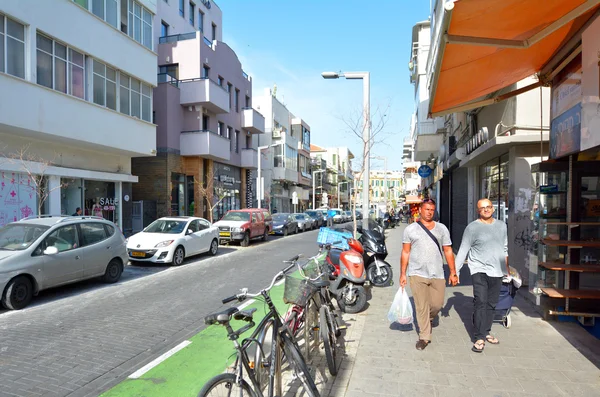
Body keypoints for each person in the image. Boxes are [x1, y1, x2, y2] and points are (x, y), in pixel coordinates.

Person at [400, 198, 458, 351]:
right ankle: (424, 336)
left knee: (437, 304)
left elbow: (448, 250)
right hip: (416, 273)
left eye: (432, 210)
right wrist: (402, 273)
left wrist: (453, 272)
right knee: (421, 306)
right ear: (420, 210)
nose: (429, 212)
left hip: (437, 273)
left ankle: (429, 319)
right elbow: (405, 252)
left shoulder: (441, 229)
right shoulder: (410, 230)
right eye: (426, 209)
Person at [454, 198, 510, 353]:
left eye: (488, 207)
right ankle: (479, 337)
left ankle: (486, 331)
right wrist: (455, 271)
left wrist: (506, 270)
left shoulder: (501, 226)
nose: (486, 210)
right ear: (478, 211)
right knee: (481, 302)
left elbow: (504, 249)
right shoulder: (472, 228)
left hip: (497, 271)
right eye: (482, 208)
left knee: (491, 304)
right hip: (479, 269)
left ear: (493, 209)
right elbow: (463, 250)